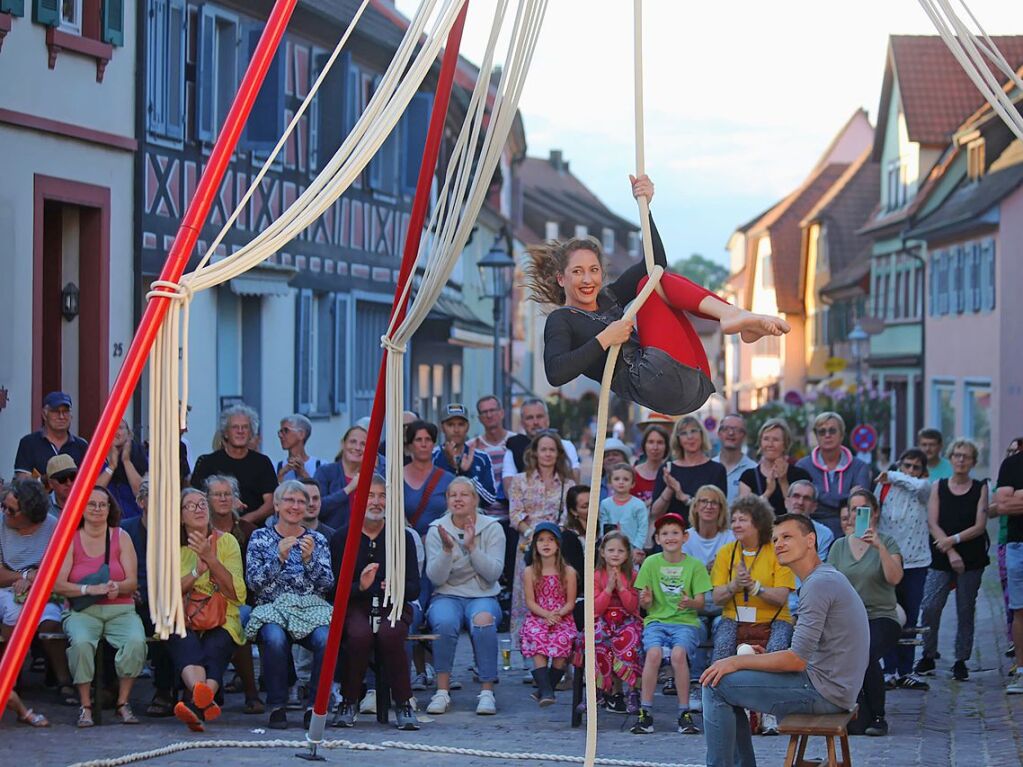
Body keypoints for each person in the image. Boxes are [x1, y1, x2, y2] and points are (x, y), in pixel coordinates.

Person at [528, 174, 788, 416]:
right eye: (577, 272)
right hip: (653, 382)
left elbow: (656, 264)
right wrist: (606, 338)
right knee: (647, 285)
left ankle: (735, 316)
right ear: (561, 278)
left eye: (594, 270)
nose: (588, 279)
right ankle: (732, 315)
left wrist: (646, 209)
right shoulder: (562, 319)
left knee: (653, 278)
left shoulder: (609, 298)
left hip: (697, 385)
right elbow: (556, 372)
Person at [700, 514, 869, 767]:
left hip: (825, 692)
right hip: (831, 686)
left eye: (787, 537)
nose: (779, 543)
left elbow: (796, 660)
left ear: (810, 540)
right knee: (724, 681)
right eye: (776, 538)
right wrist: (761, 657)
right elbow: (805, 652)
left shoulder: (819, 584)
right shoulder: (823, 578)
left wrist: (736, 662)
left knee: (714, 685)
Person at [330, 474, 421, 730]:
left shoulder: (402, 538)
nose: (377, 502)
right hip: (356, 605)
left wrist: (397, 587)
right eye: (370, 495)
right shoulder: (341, 538)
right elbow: (333, 591)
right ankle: (348, 702)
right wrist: (361, 586)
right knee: (359, 635)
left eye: (382, 496)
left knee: (390, 633)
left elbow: (415, 587)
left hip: (392, 604)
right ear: (358, 498)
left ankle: (404, 703)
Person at [53, 486, 147, 727]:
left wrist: (118, 586)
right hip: (82, 611)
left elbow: (132, 582)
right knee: (82, 644)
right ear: (81, 508)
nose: (97, 509)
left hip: (120, 608)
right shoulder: (70, 538)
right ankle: (85, 705)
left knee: (136, 642)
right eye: (91, 504)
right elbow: (58, 584)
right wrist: (88, 590)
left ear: (109, 508)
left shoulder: (121, 536)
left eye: (102, 504)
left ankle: (122, 703)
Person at [245, 480, 334, 730]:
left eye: (300, 502)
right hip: (272, 606)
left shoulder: (317, 540)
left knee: (327, 640)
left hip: (310, 608)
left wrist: (309, 560)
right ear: (276, 505)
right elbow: (254, 583)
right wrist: (278, 558)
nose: (295, 506)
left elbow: (327, 584)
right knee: (274, 639)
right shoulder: (260, 537)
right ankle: (277, 705)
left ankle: (315, 707)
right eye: (289, 500)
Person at [710, 495, 795, 736]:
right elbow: (717, 597)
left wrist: (755, 587)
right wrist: (735, 586)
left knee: (776, 655)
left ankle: (769, 714)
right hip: (734, 618)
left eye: (742, 520)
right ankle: (726, 715)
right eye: (734, 519)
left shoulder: (776, 551)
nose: (736, 524)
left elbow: (781, 597)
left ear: (757, 522)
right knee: (721, 655)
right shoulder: (727, 552)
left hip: (774, 618)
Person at [425, 478, 506, 716]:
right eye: (453, 495)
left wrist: (472, 548)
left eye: (464, 495)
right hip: (447, 594)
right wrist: (448, 550)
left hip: (483, 593)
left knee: (483, 620)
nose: (458, 499)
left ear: (475, 500)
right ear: (447, 500)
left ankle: (487, 691)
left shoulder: (492, 528)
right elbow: (436, 578)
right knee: (444, 621)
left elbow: (493, 573)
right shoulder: (436, 530)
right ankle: (442, 691)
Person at [826, 488, 902, 736]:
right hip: (849, 619)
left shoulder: (888, 542)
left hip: (881, 615)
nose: (858, 515)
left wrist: (879, 547)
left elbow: (895, 578)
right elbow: (829, 582)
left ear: (875, 513)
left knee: (864, 653)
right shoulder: (839, 546)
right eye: (854, 510)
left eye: (864, 510)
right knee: (852, 654)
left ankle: (879, 716)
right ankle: (860, 713)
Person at [169, 489, 246, 732]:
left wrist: (211, 560)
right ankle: (202, 703)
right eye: (190, 505)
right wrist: (197, 571)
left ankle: (195, 704)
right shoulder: (171, 545)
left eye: (202, 503)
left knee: (217, 643)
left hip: (222, 614)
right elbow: (167, 593)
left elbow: (237, 594)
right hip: (184, 614)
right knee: (182, 638)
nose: (199, 508)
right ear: (180, 516)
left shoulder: (227, 541)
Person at [915, 439, 988, 682]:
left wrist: (953, 540)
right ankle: (927, 653)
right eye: (957, 455)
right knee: (930, 605)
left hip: (972, 557)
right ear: (950, 458)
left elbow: (979, 526)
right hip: (941, 554)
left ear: (973, 462)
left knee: (965, 608)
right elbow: (932, 522)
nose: (960, 459)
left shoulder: (980, 488)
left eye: (966, 456)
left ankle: (961, 659)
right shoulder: (939, 486)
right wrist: (950, 550)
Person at [630, 512, 710, 736]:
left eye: (675, 532)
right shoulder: (650, 563)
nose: (670, 537)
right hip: (656, 621)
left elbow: (701, 603)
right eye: (664, 533)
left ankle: (684, 713)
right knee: (653, 654)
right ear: (657, 539)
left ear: (685, 537)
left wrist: (690, 602)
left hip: (685, 622)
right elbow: (643, 602)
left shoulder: (695, 566)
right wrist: (645, 601)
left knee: (678, 655)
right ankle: (645, 712)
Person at [0, 478, 76, 705]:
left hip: (45, 588)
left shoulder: (53, 527)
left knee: (50, 620)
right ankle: (10, 675)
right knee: (13, 612)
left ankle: (63, 680)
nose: (4, 511)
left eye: (11, 509)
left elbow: (60, 566)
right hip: (5, 588)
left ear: (29, 514)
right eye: (3, 505)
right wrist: (24, 576)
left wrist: (34, 579)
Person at [874, 449, 932, 690]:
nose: (910, 471)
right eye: (906, 465)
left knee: (910, 615)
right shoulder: (885, 488)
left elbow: (920, 487)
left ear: (923, 471)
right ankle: (889, 669)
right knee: (889, 614)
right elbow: (875, 515)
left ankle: (907, 670)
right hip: (890, 559)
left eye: (915, 467)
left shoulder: (924, 487)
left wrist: (894, 474)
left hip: (916, 562)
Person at [508, 432, 572, 650]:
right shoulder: (519, 481)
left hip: (555, 548)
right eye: (543, 449)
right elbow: (515, 514)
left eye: (552, 449)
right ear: (534, 452)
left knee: (554, 598)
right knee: (526, 597)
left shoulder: (567, 484)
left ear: (558, 454)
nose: (547, 454)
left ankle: (556, 648)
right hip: (527, 546)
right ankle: (530, 651)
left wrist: (553, 537)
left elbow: (567, 517)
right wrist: (531, 535)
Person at [205, 474, 263, 714]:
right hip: (202, 600)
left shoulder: (249, 531)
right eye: (217, 494)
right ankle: (210, 691)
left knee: (237, 619)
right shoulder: (198, 530)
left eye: (227, 494)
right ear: (206, 499)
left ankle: (250, 692)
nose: (222, 498)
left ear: (235, 498)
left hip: (242, 600)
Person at [120, 479, 176, 717]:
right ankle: (109, 687)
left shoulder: (175, 532)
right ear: (141, 502)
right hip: (126, 598)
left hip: (162, 599)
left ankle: (164, 691)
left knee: (168, 624)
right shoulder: (124, 530)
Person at [519, 522, 577, 707]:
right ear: (535, 544)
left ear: (558, 544)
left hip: (562, 616)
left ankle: (546, 689)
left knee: (562, 640)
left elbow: (570, 601)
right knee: (537, 636)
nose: (546, 544)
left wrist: (558, 614)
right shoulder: (529, 572)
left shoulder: (568, 571)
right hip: (539, 615)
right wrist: (546, 615)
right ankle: (546, 691)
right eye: (541, 540)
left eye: (551, 540)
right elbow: (530, 601)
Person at [191, 404, 277, 524]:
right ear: (225, 433)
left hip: (253, 532)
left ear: (251, 433)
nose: (240, 431)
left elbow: (271, 503)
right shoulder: (207, 462)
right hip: (214, 530)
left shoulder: (262, 462)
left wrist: (243, 522)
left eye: (245, 427)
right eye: (235, 427)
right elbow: (195, 499)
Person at [796, 411, 872, 538]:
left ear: (842, 435)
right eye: (822, 432)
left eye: (832, 431)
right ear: (816, 435)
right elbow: (802, 505)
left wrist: (819, 497)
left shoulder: (860, 467)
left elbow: (861, 508)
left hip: (851, 534)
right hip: (812, 534)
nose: (827, 435)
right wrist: (847, 497)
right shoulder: (803, 466)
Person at [593, 531, 643, 714]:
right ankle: (604, 690)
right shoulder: (597, 576)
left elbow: (632, 607)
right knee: (598, 638)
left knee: (628, 640)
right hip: (603, 618)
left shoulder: (633, 576)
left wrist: (621, 587)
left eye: (620, 551)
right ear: (602, 552)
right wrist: (608, 589)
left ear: (627, 554)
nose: (615, 554)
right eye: (611, 550)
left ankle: (632, 690)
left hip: (626, 619)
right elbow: (596, 609)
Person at [651, 416, 727, 525]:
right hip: (672, 537)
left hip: (705, 537)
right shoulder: (668, 469)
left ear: (701, 435)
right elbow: (655, 514)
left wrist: (684, 498)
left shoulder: (717, 470)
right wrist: (669, 489)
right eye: (683, 433)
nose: (690, 437)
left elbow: (719, 510)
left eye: (694, 431)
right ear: (678, 439)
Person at [991, 438, 1023, 694]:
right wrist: (1011, 501)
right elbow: (1003, 505)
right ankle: (1022, 671)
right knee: (1019, 610)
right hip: (1017, 545)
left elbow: (1011, 501)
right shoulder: (1012, 464)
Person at [501, 398, 581, 496]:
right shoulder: (513, 447)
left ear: (548, 419)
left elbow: (575, 483)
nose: (535, 422)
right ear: (522, 423)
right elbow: (509, 490)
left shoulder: (566, 445)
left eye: (539, 416)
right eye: (530, 418)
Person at [738, 418, 810, 517]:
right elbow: (745, 515)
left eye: (775, 440)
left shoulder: (800, 475)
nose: (770, 444)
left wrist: (783, 481)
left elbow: (799, 513)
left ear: (785, 444)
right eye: (766, 439)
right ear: (760, 443)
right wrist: (768, 492)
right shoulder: (748, 477)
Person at [13, 391, 92, 480]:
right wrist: (48, 480)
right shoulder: (29, 443)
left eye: (65, 411)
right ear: (44, 415)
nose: (61, 417)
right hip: (40, 493)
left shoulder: (81, 445)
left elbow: (89, 479)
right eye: (56, 411)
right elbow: (22, 481)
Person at [433, 404, 498, 508]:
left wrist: (466, 474)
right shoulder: (432, 457)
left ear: (467, 426)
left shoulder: (482, 458)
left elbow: (490, 499)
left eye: (461, 424)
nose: (456, 429)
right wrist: (451, 466)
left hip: (473, 521)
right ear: (442, 428)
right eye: (450, 425)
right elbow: (431, 499)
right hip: (441, 521)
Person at [313, 425, 375, 530]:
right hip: (332, 539)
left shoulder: (373, 477)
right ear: (343, 444)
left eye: (363, 444)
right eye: (353, 442)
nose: (357, 448)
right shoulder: (325, 472)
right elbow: (317, 507)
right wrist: (348, 489)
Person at [402, 420, 455, 537]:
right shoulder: (396, 478)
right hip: (407, 546)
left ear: (433, 444)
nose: (423, 444)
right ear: (410, 445)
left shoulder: (448, 479)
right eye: (418, 440)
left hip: (440, 545)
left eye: (428, 439)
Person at [468, 394, 517, 516]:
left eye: (492, 410)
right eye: (484, 412)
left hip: (514, 516)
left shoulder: (517, 442)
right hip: (483, 516)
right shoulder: (471, 447)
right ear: (479, 418)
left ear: (502, 413)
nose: (489, 415)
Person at [681, 485, 734, 571]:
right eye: (704, 501)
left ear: (721, 509)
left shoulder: (732, 538)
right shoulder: (684, 538)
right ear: (696, 507)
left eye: (714, 502)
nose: (709, 506)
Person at [599, 463, 649, 553]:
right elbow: (603, 526)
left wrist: (637, 547)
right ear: (610, 483)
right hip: (611, 549)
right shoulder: (605, 504)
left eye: (626, 479)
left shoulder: (639, 505)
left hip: (632, 550)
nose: (621, 482)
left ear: (633, 484)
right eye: (616, 479)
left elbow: (643, 528)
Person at [104, 420, 148, 521]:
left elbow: (140, 492)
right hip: (107, 521)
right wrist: (111, 467)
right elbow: (93, 491)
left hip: (134, 519)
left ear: (129, 434)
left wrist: (126, 461)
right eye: (112, 427)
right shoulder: (96, 456)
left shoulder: (139, 455)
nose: (115, 432)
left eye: (120, 428)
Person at [783, 480, 834, 558]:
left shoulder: (825, 534)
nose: (800, 502)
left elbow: (819, 567)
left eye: (806, 498)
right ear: (786, 502)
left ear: (814, 507)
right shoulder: (770, 529)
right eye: (796, 496)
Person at [714, 415, 757, 506]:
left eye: (736, 429)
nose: (731, 433)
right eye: (726, 429)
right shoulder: (709, 467)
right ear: (719, 434)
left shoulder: (753, 470)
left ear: (744, 435)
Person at [275, 414, 321, 482]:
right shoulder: (276, 467)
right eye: (280, 432)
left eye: (286, 430)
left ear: (301, 434)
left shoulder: (320, 466)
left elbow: (322, 491)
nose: (280, 435)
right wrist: (281, 475)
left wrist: (303, 473)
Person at [633, 424, 669, 506]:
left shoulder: (671, 474)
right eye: (651, 442)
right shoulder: (633, 474)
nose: (655, 447)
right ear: (644, 445)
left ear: (666, 446)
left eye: (660, 442)